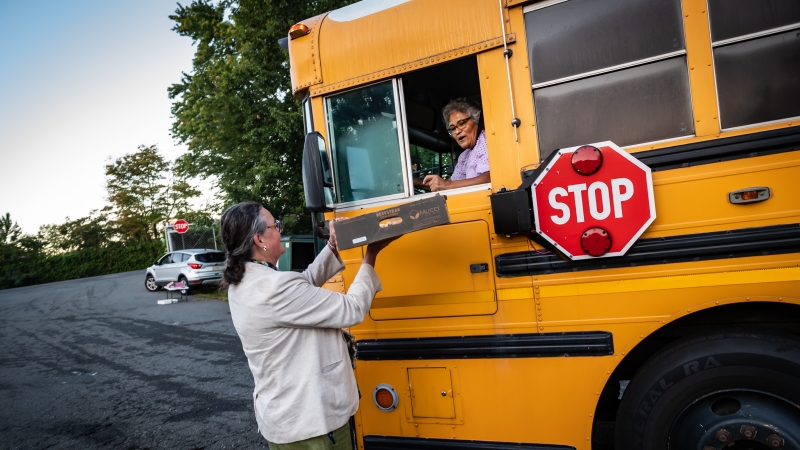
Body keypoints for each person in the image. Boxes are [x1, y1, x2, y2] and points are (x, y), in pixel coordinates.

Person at [219, 202, 395, 449]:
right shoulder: (275, 287)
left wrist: (333, 245)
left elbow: (303, 285)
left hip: (286, 421)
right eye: (275, 225)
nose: (280, 230)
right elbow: (352, 308)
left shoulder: (246, 281)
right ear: (260, 240)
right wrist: (371, 255)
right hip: (312, 427)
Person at [419, 98, 491, 192]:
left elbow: (490, 178)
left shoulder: (485, 139)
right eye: (452, 129)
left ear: (476, 120)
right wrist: (414, 182)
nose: (457, 131)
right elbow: (451, 182)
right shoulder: (464, 156)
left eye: (461, 123)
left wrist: (447, 185)